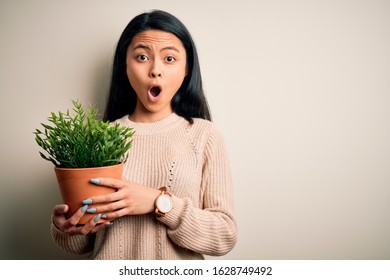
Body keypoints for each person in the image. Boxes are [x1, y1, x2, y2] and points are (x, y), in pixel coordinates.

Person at [51, 10, 237, 260]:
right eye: (141, 57)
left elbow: (224, 236)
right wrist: (67, 227)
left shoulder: (205, 136)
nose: (155, 70)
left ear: (186, 69)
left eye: (169, 58)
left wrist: (157, 202)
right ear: (125, 67)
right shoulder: (100, 138)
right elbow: (81, 245)